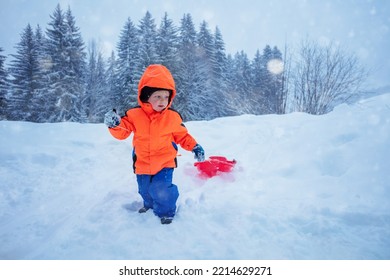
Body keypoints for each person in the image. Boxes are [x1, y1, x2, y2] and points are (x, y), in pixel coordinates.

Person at [104, 64, 205, 224]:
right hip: (142, 163)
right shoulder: (134, 115)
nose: (162, 101)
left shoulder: (172, 118)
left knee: (162, 189)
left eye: (166, 97)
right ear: (146, 96)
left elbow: (182, 136)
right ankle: (149, 205)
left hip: (165, 162)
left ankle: (166, 211)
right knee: (144, 190)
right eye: (157, 96)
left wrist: (194, 146)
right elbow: (123, 131)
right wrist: (114, 125)